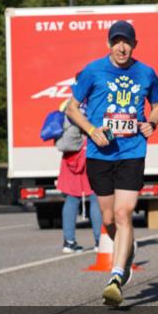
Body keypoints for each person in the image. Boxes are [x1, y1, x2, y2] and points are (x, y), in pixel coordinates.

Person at [65, 20, 158, 306]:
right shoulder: (93, 71)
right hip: (100, 154)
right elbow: (72, 108)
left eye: (127, 42)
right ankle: (126, 248)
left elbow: (156, 105)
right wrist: (91, 130)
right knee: (108, 219)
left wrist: (152, 123)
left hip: (132, 151)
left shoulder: (146, 73)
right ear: (109, 44)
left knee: (124, 213)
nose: (122, 47)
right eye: (116, 41)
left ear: (134, 44)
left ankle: (117, 275)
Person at [56, 101, 103, 252]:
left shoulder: (67, 104)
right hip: (91, 154)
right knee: (95, 197)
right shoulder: (95, 101)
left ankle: (69, 242)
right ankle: (99, 242)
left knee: (71, 199)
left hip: (70, 158)